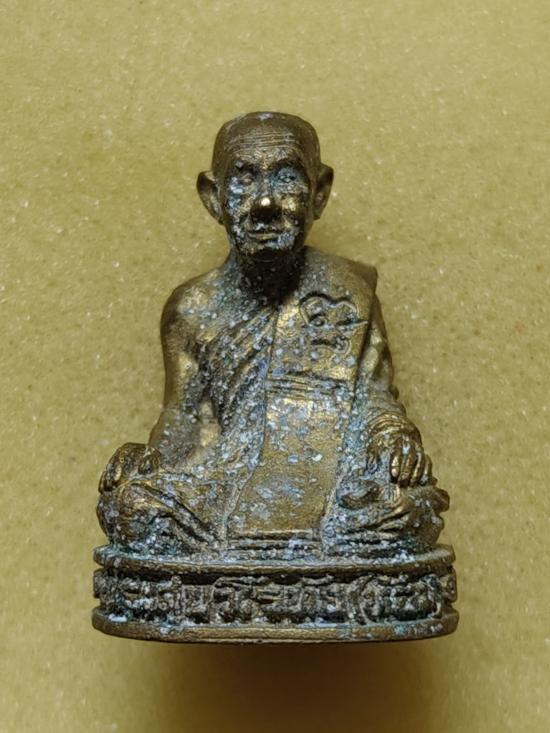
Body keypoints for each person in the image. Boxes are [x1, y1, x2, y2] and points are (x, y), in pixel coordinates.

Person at [97, 112, 448, 557]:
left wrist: (393, 438)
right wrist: (151, 459)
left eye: (286, 178)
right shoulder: (192, 308)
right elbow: (185, 417)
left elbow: (373, 398)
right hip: (221, 481)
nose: (265, 203)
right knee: (129, 507)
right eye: (244, 179)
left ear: (319, 193)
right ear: (213, 197)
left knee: (408, 508)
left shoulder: (345, 291)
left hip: (330, 479)